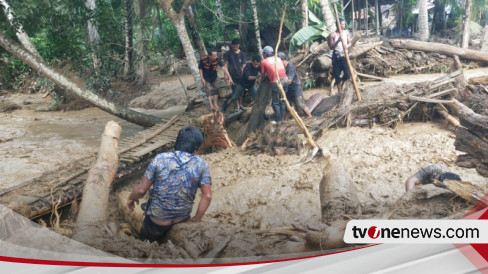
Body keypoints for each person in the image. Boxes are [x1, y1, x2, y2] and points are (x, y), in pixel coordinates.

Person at [126, 126, 212, 243]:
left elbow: (141, 190)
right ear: (196, 149)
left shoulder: (160, 159)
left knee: (146, 240)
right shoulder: (202, 164)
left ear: (177, 143)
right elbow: (207, 196)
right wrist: (197, 219)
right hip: (182, 219)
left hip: (157, 222)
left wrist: (131, 198)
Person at [277, 52, 312, 119]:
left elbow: (289, 81)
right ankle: (285, 121)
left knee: (300, 104)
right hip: (288, 89)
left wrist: (281, 83)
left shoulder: (290, 67)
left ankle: (310, 117)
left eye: (279, 61)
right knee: (288, 106)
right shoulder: (281, 68)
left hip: (295, 87)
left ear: (283, 60)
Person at [260, 46, 288, 122]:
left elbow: (262, 76)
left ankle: (279, 120)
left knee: (275, 102)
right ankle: (283, 119)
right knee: (282, 100)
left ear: (265, 54)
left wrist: (262, 80)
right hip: (285, 79)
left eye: (263, 53)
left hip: (276, 81)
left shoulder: (264, 61)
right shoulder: (278, 59)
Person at [327, 18, 351, 95]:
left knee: (347, 74)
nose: (343, 26)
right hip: (336, 56)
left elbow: (350, 43)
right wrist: (338, 41)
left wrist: (346, 46)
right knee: (337, 74)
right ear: (338, 25)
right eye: (342, 24)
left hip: (344, 56)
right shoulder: (332, 35)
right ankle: (339, 90)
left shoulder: (346, 33)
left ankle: (344, 86)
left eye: (344, 24)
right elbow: (331, 47)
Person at [223, 38, 247, 110]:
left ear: (239, 45)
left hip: (241, 75)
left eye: (237, 46)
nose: (235, 47)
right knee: (234, 90)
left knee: (241, 90)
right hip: (232, 75)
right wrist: (225, 75)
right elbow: (226, 64)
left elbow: (244, 64)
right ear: (231, 45)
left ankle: (241, 104)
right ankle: (237, 105)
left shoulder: (242, 53)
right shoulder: (228, 53)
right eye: (234, 46)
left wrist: (244, 72)